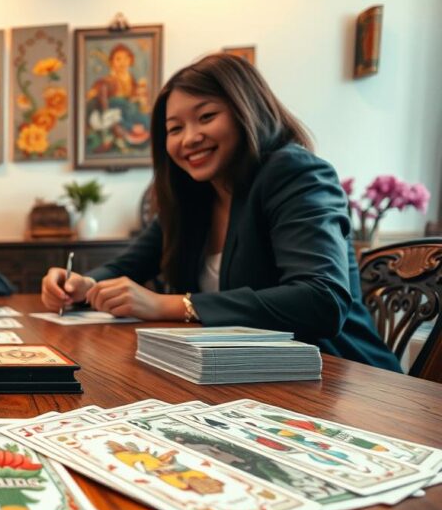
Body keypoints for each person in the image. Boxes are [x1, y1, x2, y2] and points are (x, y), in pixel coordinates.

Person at [41, 54, 400, 371]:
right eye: (175, 129)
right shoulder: (193, 195)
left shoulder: (294, 173)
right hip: (241, 377)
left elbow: (321, 300)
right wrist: (83, 285)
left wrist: (172, 305)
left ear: (247, 110)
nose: (189, 138)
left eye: (207, 116)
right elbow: (129, 266)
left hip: (342, 378)